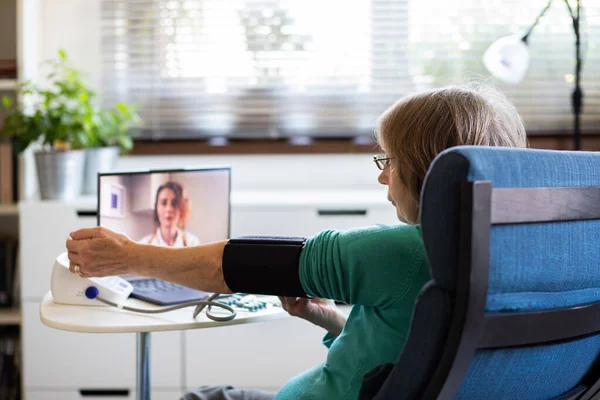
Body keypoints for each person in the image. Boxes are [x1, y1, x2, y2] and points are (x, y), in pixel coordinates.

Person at [65, 83, 528, 400]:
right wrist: (325, 316)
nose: (384, 175)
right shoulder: (506, 253)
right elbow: (415, 353)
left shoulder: (405, 250)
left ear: (428, 168)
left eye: (390, 160)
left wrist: (127, 256)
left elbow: (243, 265)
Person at [138, 181, 201, 247]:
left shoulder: (193, 243)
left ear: (181, 208)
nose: (169, 209)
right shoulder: (143, 245)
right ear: (156, 207)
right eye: (163, 203)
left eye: (174, 203)